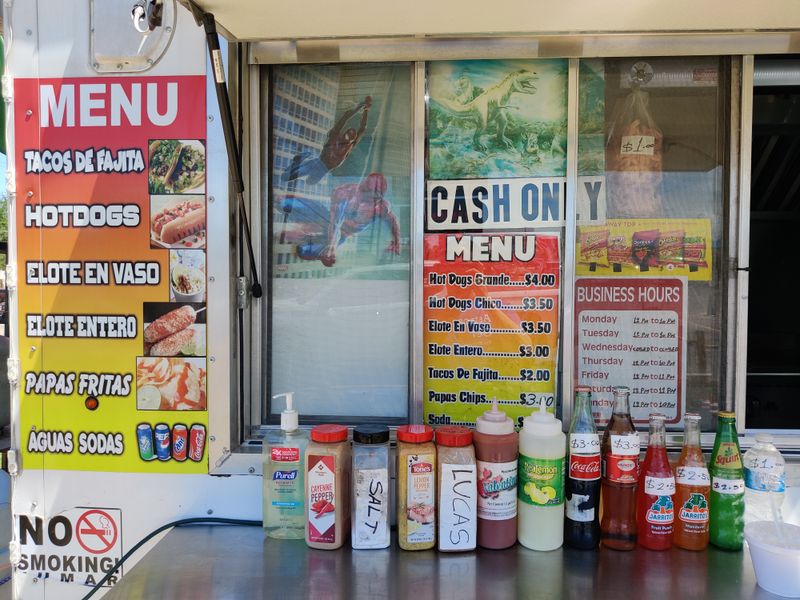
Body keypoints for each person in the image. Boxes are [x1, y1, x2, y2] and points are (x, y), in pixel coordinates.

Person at [279, 172, 401, 267]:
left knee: (304, 251)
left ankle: (306, 237)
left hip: (342, 234)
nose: (367, 199)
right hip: (326, 220)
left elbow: (393, 221)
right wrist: (331, 247)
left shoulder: (380, 207)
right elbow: (336, 222)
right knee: (283, 201)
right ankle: (304, 230)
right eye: (367, 192)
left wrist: (396, 242)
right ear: (362, 185)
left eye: (374, 195)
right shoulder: (345, 192)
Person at [283, 96, 372, 185]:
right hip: (318, 163)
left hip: (324, 168)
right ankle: (298, 162)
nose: (351, 135)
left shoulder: (351, 144)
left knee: (310, 182)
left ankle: (298, 162)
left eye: (353, 135)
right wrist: (359, 107)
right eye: (350, 132)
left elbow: (363, 128)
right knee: (287, 177)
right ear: (345, 132)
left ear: (354, 138)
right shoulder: (335, 135)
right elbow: (345, 117)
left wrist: (366, 110)